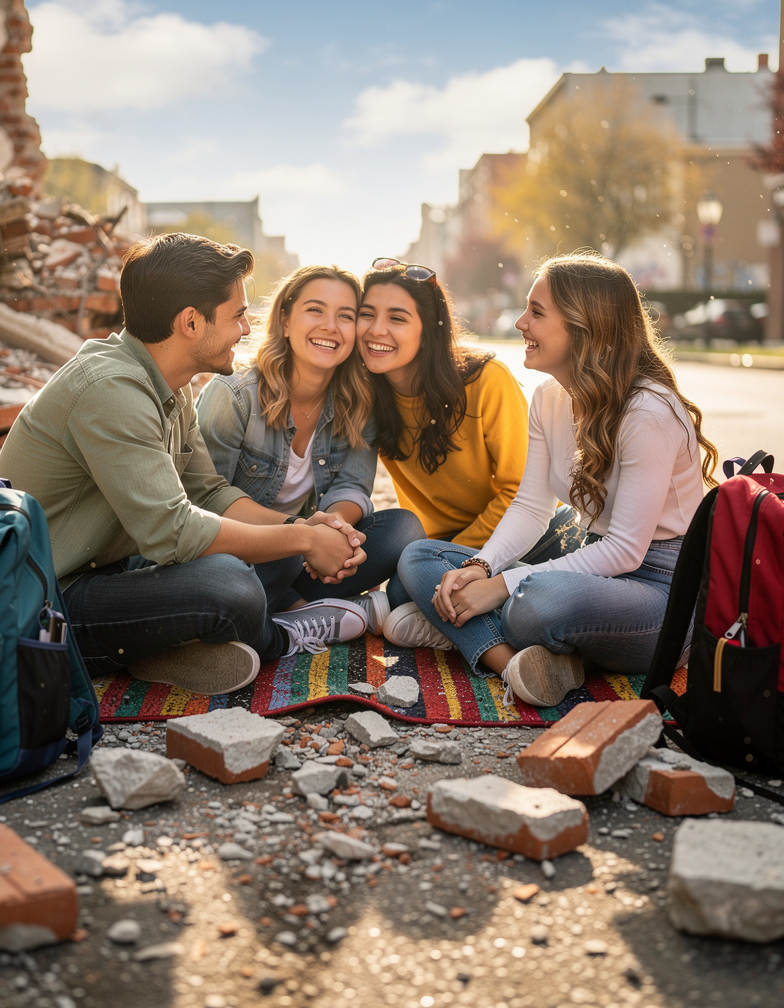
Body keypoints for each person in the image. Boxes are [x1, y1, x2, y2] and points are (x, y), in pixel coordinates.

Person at [0, 232, 373, 697]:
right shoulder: (110, 391)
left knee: (337, 543)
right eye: (237, 316)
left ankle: (167, 645)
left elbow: (209, 493)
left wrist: (303, 530)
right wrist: (300, 539)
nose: (247, 330)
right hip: (49, 598)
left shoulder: (168, 386)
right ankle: (280, 636)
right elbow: (172, 532)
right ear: (191, 322)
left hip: (116, 574)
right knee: (231, 585)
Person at [393, 250, 719, 708]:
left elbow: (627, 550)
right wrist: (481, 568)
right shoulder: (549, 397)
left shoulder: (649, 413)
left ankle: (456, 625)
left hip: (661, 591)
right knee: (419, 556)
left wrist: (502, 587)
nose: (520, 322)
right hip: (587, 553)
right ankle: (507, 657)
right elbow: (531, 506)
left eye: (537, 312)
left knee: (534, 604)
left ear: (586, 327)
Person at [354, 257, 581, 647]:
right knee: (399, 593)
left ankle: (481, 611)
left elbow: (519, 493)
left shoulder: (485, 381)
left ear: (426, 332)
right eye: (366, 314)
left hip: (525, 534)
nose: (377, 330)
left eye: (397, 318)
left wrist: (469, 563)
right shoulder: (364, 392)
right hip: (434, 551)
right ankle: (489, 607)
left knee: (412, 583)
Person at [196, 264, 424, 633]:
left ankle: (293, 608)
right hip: (239, 553)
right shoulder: (234, 395)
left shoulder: (360, 401)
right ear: (285, 320)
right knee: (238, 574)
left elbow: (352, 487)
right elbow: (207, 500)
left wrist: (333, 530)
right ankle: (306, 609)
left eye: (345, 316)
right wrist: (303, 533)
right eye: (315, 310)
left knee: (405, 529)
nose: (330, 326)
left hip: (306, 557)